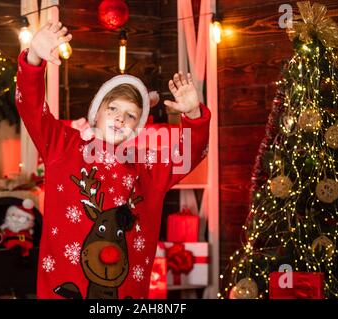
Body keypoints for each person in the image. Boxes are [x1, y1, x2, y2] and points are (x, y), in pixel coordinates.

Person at [16, 21, 211, 299]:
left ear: (137, 126)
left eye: (131, 115)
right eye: (113, 108)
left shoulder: (147, 169)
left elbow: (190, 154)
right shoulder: (62, 146)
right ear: (96, 113)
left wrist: (192, 115)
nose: (121, 117)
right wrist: (34, 58)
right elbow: (31, 108)